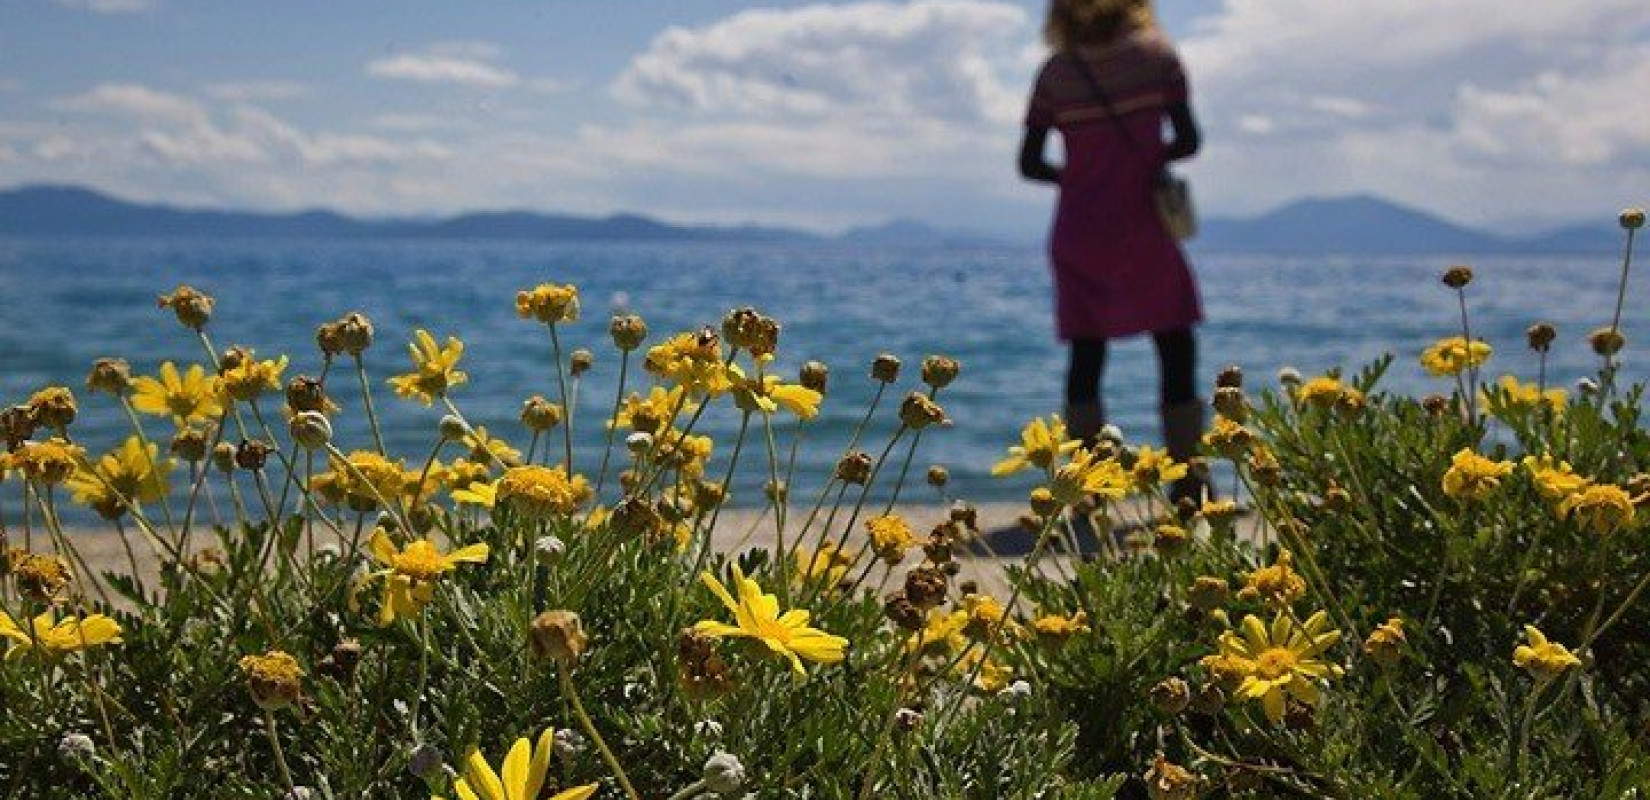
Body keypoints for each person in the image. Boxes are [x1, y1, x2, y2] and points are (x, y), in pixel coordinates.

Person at [1018, 0, 1207, 502]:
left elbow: (1030, 163)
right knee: (1175, 345)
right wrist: (1143, 157)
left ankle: (1086, 487)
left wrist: (1081, 175)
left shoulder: (1056, 74)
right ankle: (1189, 481)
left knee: (1086, 353)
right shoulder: (1157, 57)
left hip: (1080, 228)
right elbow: (1189, 140)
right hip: (1144, 224)